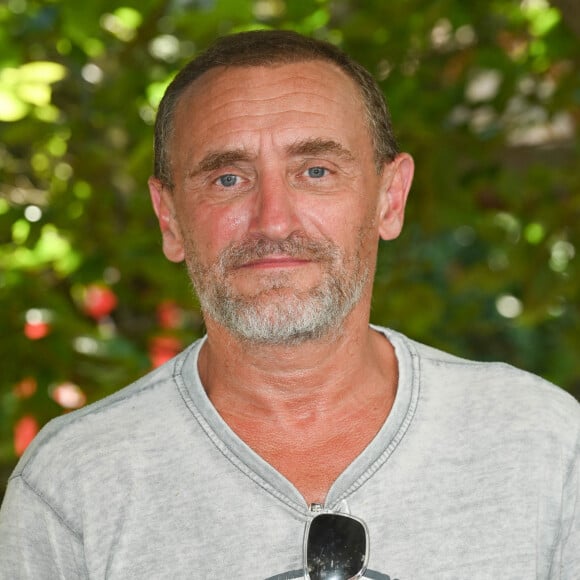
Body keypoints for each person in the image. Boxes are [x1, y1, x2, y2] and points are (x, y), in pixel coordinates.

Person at [0, 29, 578, 580]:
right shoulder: (71, 485)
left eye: (316, 171)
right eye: (228, 179)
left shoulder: (544, 445)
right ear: (169, 218)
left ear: (390, 198)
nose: (273, 220)